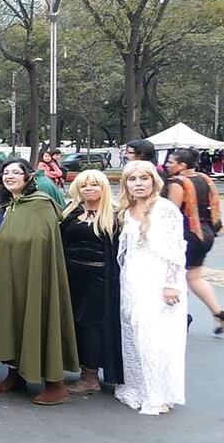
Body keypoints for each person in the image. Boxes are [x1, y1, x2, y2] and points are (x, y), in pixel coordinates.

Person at [0, 158, 78, 406]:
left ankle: (56, 385)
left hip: (36, 275)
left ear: (28, 177)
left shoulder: (40, 204)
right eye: (6, 172)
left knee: (39, 318)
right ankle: (16, 374)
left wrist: (0, 238)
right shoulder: (10, 204)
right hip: (10, 273)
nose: (9, 176)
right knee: (12, 318)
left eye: (16, 172)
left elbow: (38, 239)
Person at [114, 160, 186, 415]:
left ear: (154, 181)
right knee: (134, 333)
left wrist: (171, 284)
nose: (138, 184)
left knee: (155, 337)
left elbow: (176, 249)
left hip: (158, 279)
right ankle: (139, 387)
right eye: (132, 179)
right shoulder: (126, 209)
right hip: (132, 278)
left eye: (144, 179)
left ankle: (158, 393)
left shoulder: (165, 209)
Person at [59, 169, 123, 395]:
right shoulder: (71, 212)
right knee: (75, 324)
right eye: (84, 185)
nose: (89, 189)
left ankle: (90, 376)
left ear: (103, 187)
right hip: (71, 278)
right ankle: (80, 369)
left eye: (94, 184)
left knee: (91, 326)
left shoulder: (115, 216)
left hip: (99, 281)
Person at [164, 148, 224, 334]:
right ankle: (219, 314)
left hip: (187, 235)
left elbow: (172, 214)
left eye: (171, 162)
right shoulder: (204, 179)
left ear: (182, 165)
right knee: (194, 277)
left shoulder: (177, 183)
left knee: (175, 277)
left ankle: (179, 318)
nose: (167, 165)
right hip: (206, 233)